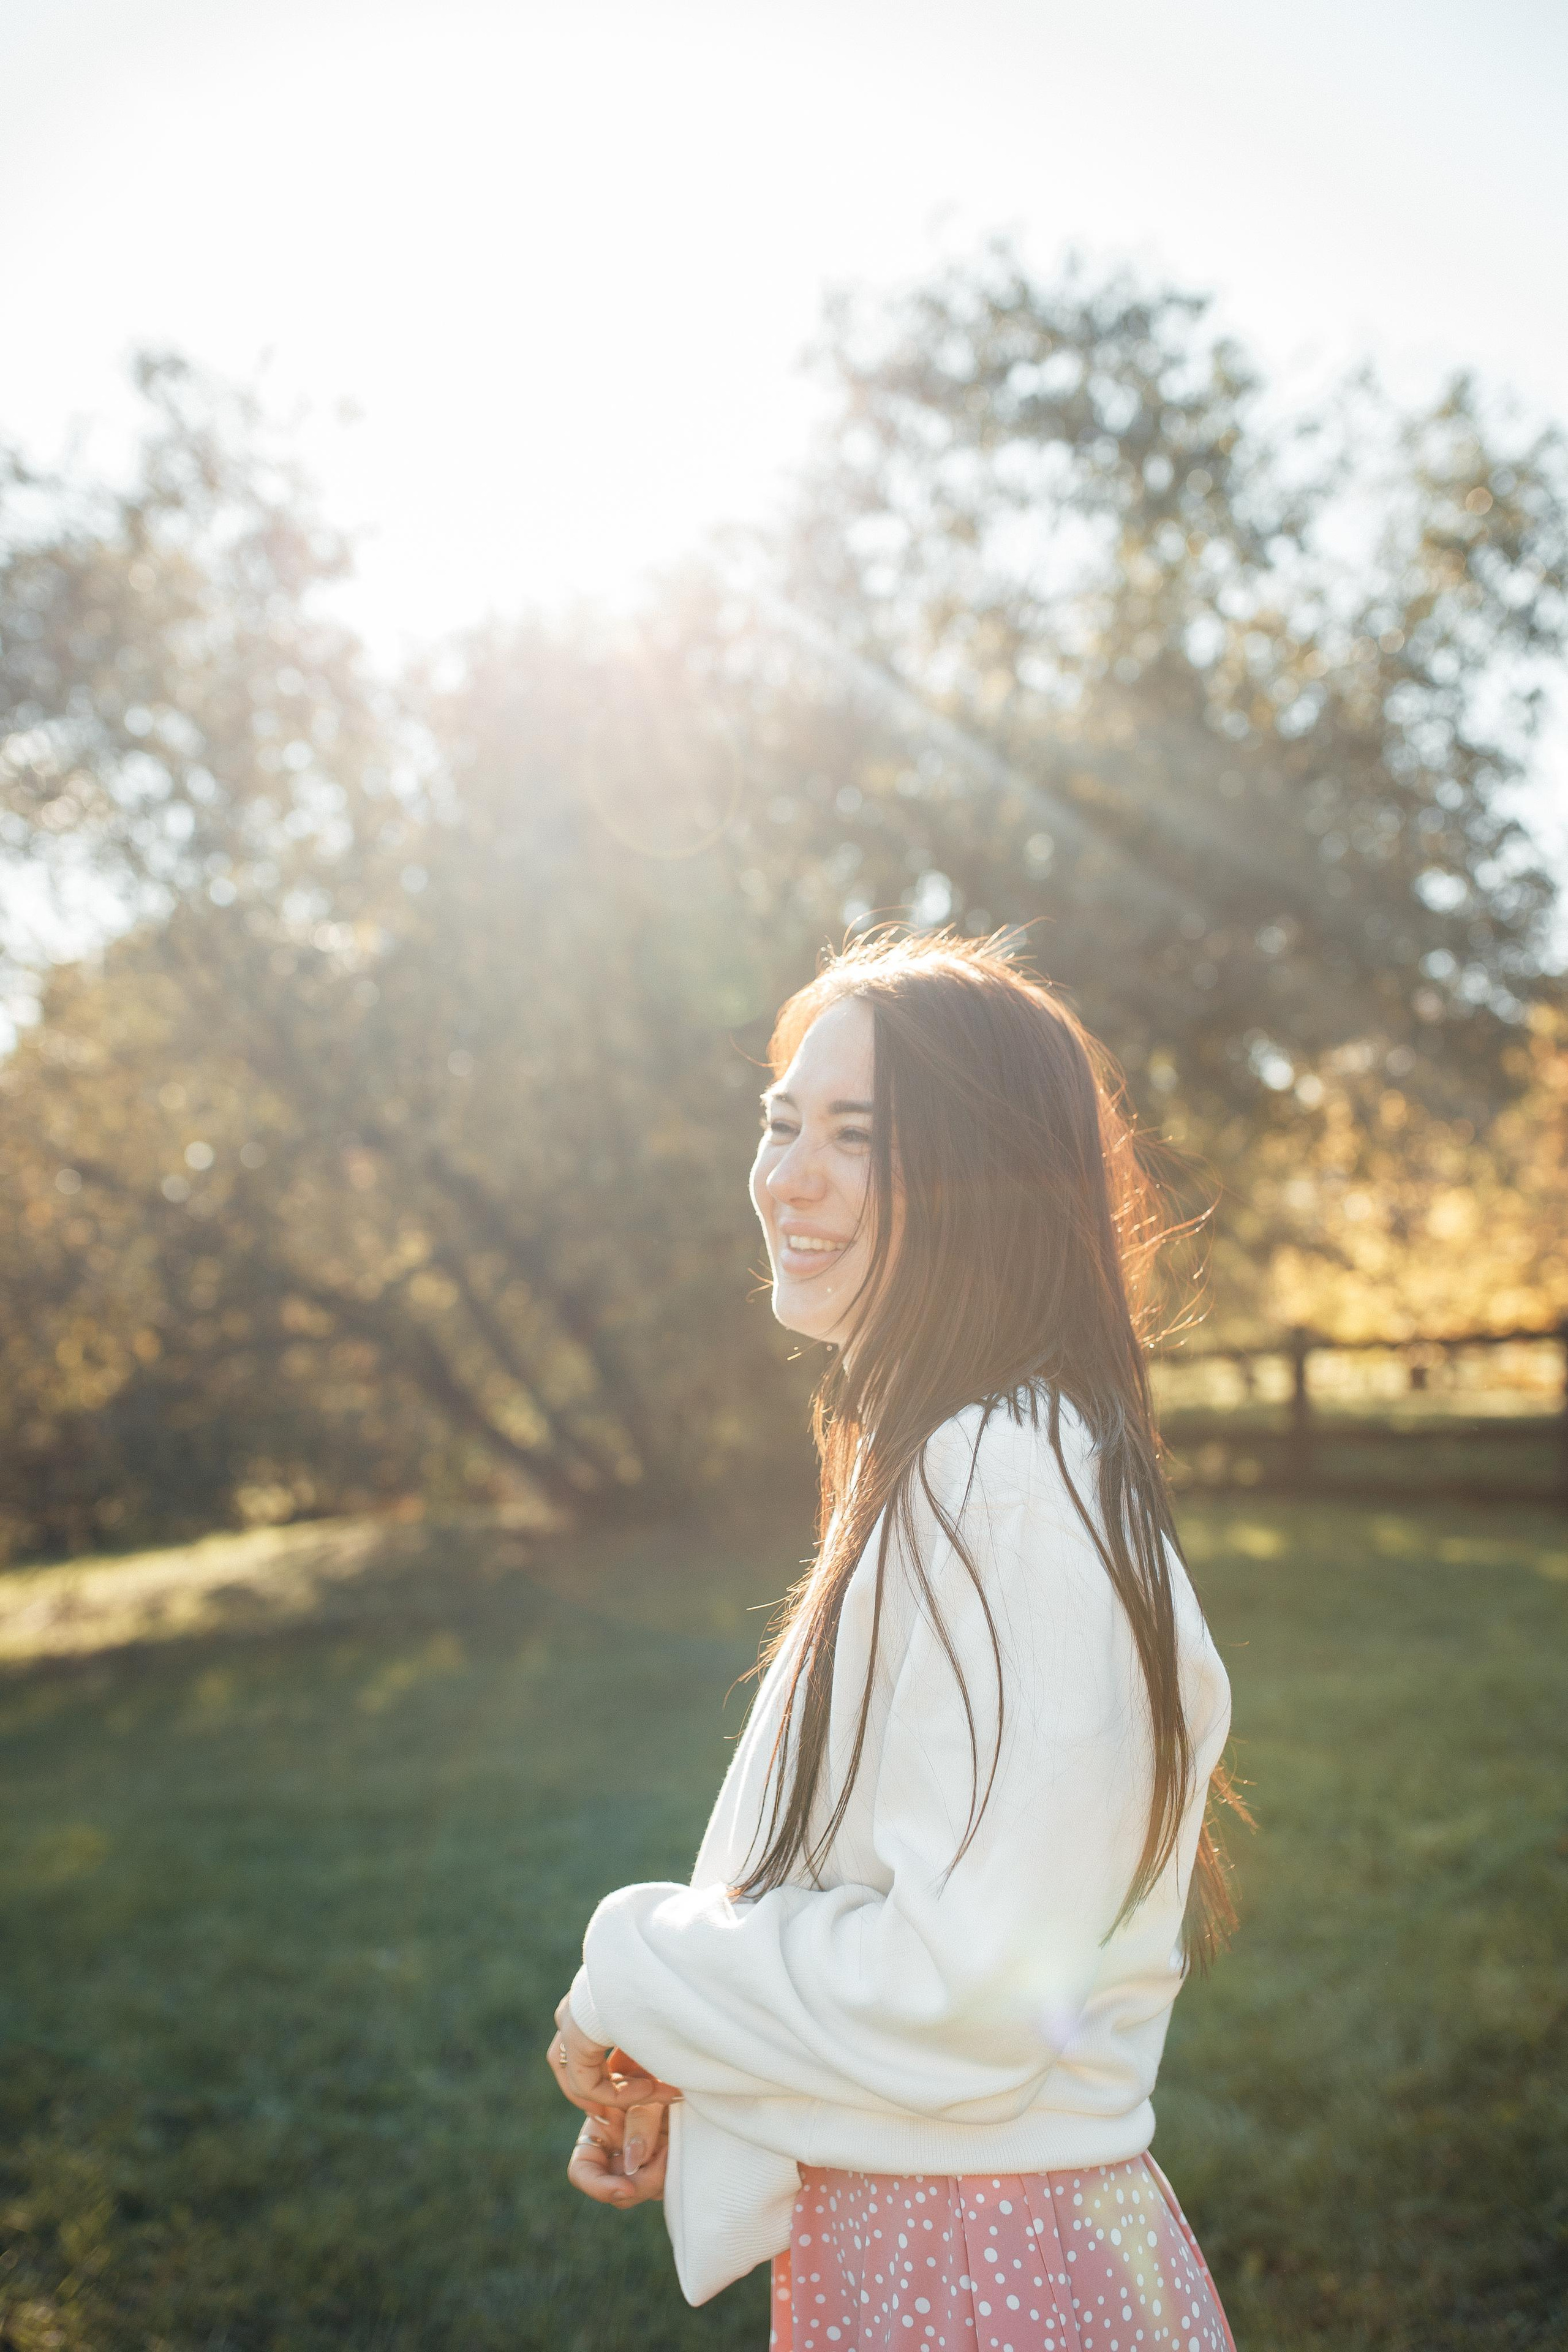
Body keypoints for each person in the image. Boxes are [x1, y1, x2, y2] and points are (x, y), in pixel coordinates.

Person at [545, 931, 1242, 2349]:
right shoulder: (969, 1455)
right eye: (780, 1122)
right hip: (940, 2244)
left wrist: (630, 1972)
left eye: (854, 1137)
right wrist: (705, 2071)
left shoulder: (1001, 1480)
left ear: (991, 1182)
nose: (785, 1177)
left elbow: (968, 1999)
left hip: (984, 2277)